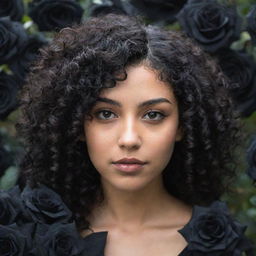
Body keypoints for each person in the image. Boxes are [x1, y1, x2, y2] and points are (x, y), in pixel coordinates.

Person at [17, 14, 254, 255]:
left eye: (153, 115)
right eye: (106, 114)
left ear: (183, 125)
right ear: (76, 124)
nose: (129, 139)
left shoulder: (223, 245)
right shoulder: (31, 237)